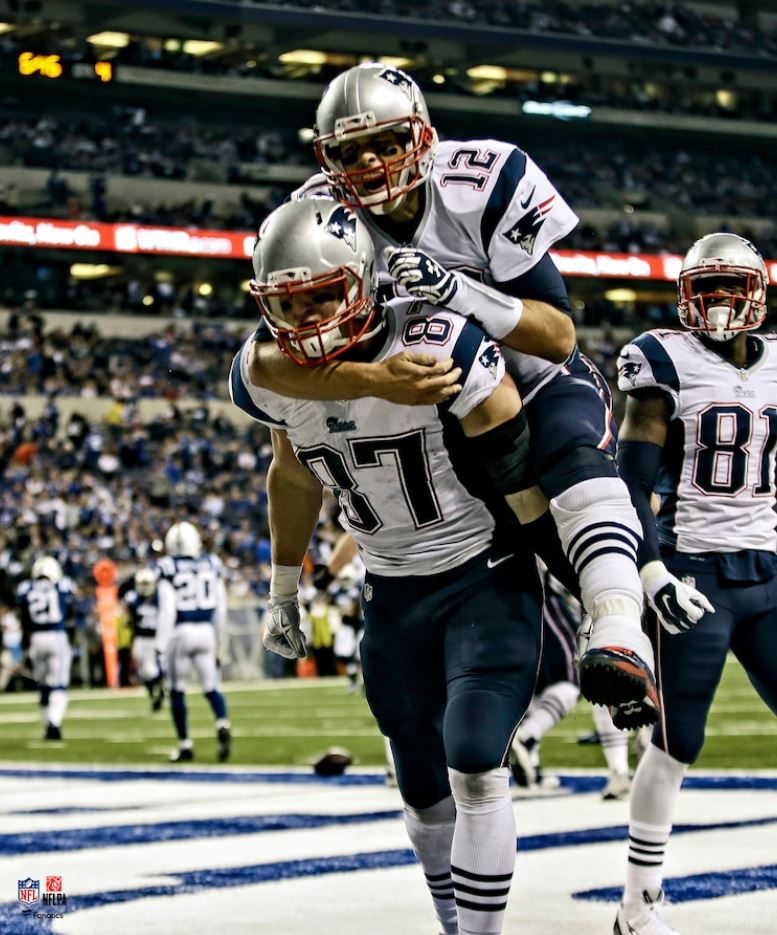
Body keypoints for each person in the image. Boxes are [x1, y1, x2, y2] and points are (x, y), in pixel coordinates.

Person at [247, 63, 661, 728]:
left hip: (529, 379)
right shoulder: (317, 216)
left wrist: (458, 291)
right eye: (349, 151)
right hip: (438, 404)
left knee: (568, 453)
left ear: (422, 136)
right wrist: (375, 380)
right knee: (513, 520)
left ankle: (619, 626)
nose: (371, 162)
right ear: (326, 158)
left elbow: (555, 338)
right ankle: (616, 608)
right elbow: (265, 360)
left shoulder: (483, 180)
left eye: (384, 141)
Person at [230, 197, 544, 935]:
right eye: (287, 302)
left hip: (481, 569)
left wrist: (595, 586)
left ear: (364, 280)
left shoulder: (435, 338)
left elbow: (520, 466)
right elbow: (293, 474)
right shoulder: (275, 372)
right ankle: (452, 923)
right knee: (419, 780)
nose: (305, 318)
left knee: (473, 756)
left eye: (321, 295)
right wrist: (284, 587)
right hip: (390, 589)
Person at [613, 232, 776, 934]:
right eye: (703, 290)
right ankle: (636, 902)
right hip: (694, 571)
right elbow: (629, 479)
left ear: (755, 295)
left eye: (728, 290)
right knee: (678, 739)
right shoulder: (663, 361)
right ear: (685, 296)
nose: (716, 305)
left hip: (767, 568)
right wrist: (650, 570)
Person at [155, 521, 231, 763]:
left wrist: (159, 645)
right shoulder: (211, 563)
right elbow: (221, 609)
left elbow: (167, 610)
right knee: (211, 687)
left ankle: (185, 744)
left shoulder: (167, 566)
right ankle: (222, 721)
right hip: (206, 631)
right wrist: (221, 641)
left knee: (177, 690)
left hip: (181, 632)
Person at [508, 569, 581, 792]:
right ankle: (527, 738)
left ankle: (531, 768)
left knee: (529, 694)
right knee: (570, 684)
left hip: (507, 619)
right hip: (541, 608)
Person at [15, 556, 74, 740]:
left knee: (43, 685)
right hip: (56, 635)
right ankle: (54, 723)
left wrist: (25, 645)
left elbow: (24, 618)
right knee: (59, 684)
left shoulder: (26, 588)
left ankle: (46, 723)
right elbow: (70, 613)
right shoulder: (63, 585)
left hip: (36, 638)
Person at [123, 567, 165, 711]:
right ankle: (155, 693)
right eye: (143, 584)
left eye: (147, 583)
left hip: (155, 638)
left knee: (150, 669)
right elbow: (130, 619)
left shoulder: (161, 598)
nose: (145, 587)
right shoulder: (133, 598)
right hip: (140, 637)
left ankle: (160, 688)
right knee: (141, 671)